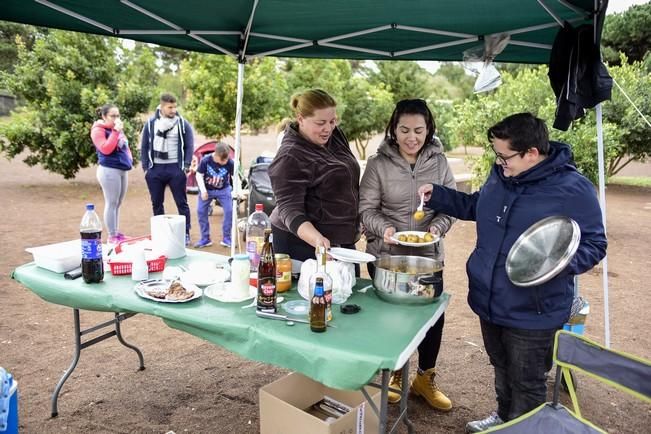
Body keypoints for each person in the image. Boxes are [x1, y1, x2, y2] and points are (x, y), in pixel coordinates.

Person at [417, 113, 607, 432]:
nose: (499, 161)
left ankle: (521, 426)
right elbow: (478, 206)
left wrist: (556, 266)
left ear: (531, 152)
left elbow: (595, 243)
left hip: (534, 308)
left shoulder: (573, 188)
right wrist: (438, 195)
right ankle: (503, 418)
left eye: (504, 155)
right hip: (491, 299)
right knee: (501, 368)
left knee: (528, 384)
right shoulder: (503, 176)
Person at [359, 98, 455, 411]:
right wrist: (385, 229)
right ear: (393, 129)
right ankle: (397, 374)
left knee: (431, 318)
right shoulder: (378, 163)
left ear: (428, 130)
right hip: (385, 254)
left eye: (418, 130)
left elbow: (451, 205)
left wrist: (437, 229)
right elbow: (366, 209)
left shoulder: (439, 162)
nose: (411, 137)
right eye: (404, 130)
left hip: (427, 255)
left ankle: (425, 379)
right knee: (391, 317)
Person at [269, 89, 360, 263]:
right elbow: (289, 209)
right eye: (320, 123)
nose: (328, 128)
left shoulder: (334, 135)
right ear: (301, 119)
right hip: (300, 241)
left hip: (341, 237)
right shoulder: (290, 156)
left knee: (347, 286)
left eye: (332, 121)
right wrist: (317, 239)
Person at [140, 93, 194, 246]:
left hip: (175, 168)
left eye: (175, 106)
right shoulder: (151, 124)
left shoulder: (182, 123)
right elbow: (144, 146)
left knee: (181, 203)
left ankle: (185, 233)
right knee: (157, 203)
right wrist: (146, 167)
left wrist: (186, 166)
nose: (173, 110)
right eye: (170, 107)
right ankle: (161, 234)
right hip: (155, 169)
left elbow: (189, 145)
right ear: (162, 107)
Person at [90, 103, 132, 245]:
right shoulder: (98, 130)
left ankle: (116, 233)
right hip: (109, 170)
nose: (116, 118)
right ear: (104, 116)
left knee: (118, 203)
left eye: (118, 115)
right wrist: (115, 132)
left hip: (122, 169)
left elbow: (124, 146)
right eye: (112, 116)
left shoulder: (117, 129)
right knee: (111, 202)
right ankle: (112, 236)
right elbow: (106, 149)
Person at [194, 142, 234, 249]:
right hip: (207, 189)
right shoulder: (206, 161)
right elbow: (199, 175)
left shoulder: (229, 162)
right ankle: (205, 238)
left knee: (229, 211)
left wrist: (236, 191)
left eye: (226, 160)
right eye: (222, 160)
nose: (225, 162)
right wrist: (203, 191)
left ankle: (227, 238)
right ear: (215, 155)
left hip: (223, 189)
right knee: (201, 211)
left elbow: (236, 177)